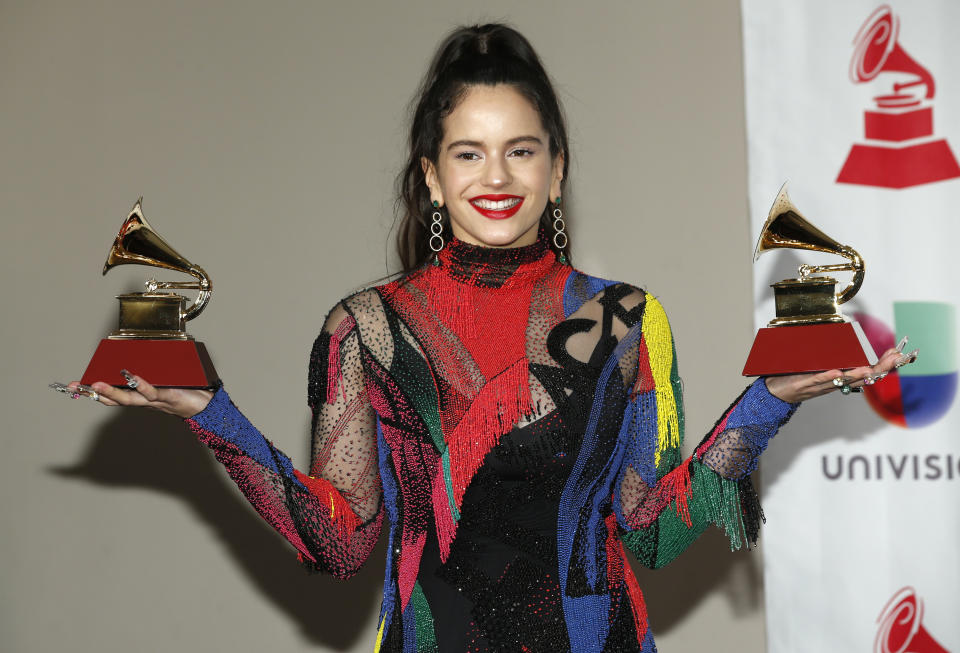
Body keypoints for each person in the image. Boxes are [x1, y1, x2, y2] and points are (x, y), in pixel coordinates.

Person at [62, 23, 912, 652]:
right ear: (431, 176)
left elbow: (651, 530)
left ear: (557, 170)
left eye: (521, 151)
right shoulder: (366, 329)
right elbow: (339, 541)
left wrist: (769, 401)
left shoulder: (627, 321)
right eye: (468, 154)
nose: (496, 177)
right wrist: (210, 412)